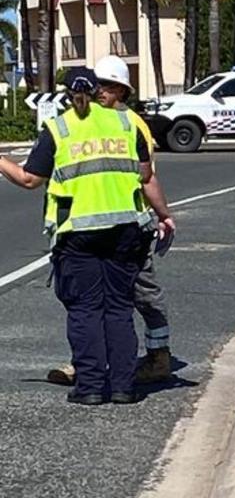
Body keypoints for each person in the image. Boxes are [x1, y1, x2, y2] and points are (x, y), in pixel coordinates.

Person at [0, 67, 176, 405]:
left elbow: (28, 179)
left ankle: (92, 387)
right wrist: (165, 216)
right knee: (119, 308)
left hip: (78, 234)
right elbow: (145, 176)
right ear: (98, 91)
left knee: (85, 310)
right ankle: (124, 387)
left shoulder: (59, 128)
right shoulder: (125, 125)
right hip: (126, 232)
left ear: (66, 94)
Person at [46, 55, 173, 387]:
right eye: (95, 84)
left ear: (120, 90)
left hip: (132, 221)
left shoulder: (130, 123)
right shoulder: (87, 119)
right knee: (95, 302)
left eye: (104, 85)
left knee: (139, 295)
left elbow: (146, 177)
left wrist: (162, 216)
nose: (97, 90)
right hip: (102, 223)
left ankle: (157, 356)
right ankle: (97, 366)